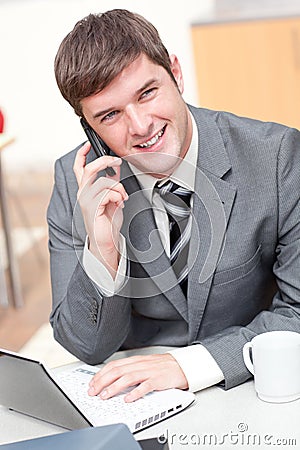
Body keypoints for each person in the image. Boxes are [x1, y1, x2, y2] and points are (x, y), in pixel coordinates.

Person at [48, 9, 300, 403]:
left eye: (147, 93)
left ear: (176, 74)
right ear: (90, 129)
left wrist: (190, 365)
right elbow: (85, 347)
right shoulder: (75, 182)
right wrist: (103, 250)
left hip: (253, 385)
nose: (140, 126)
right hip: (139, 401)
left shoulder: (276, 157)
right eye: (110, 115)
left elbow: (298, 313)